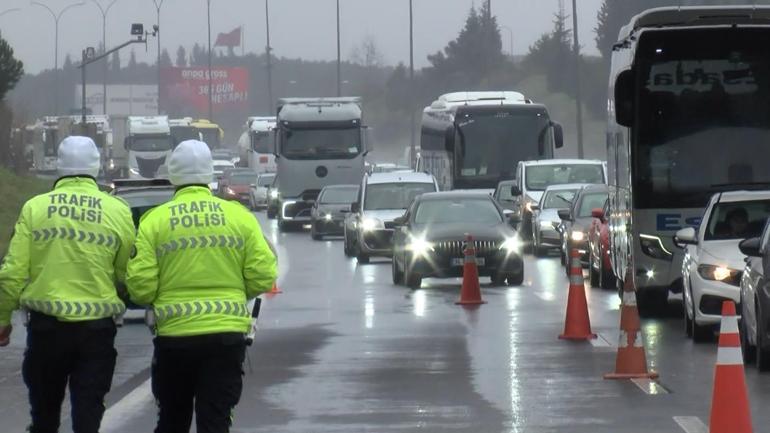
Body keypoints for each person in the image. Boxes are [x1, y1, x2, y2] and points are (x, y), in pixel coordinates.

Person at [126, 140, 276, 433]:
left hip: (174, 340)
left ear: (173, 175)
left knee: (172, 420)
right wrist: (234, 295)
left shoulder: (154, 221)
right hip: (225, 339)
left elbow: (140, 287)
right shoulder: (239, 217)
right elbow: (263, 275)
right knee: (215, 421)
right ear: (210, 175)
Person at [0, 136, 135, 433]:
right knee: (88, 413)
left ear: (59, 167)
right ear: (96, 166)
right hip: (97, 331)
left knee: (45, 414)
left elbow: (12, 272)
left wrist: (2, 319)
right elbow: (127, 272)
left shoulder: (35, 208)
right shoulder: (118, 210)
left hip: (47, 331)